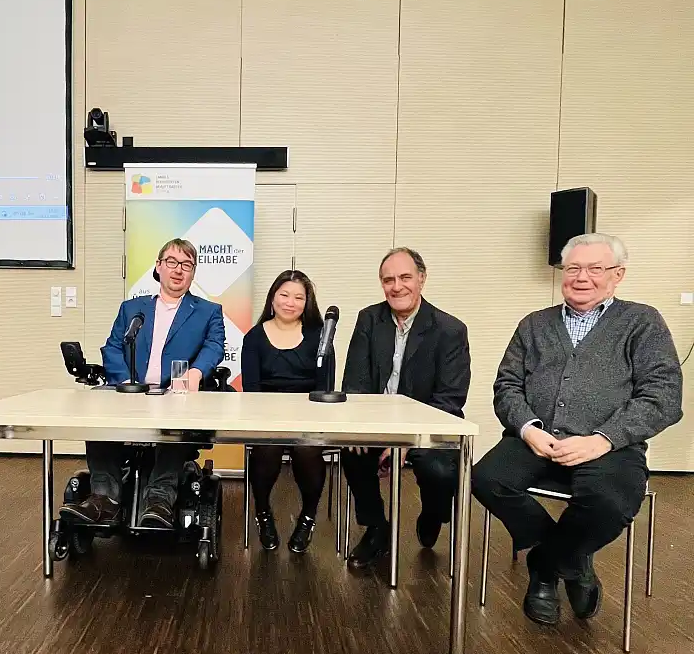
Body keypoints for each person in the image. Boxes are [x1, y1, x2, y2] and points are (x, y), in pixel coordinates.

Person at [473, 233, 683, 626]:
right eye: (573, 268)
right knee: (487, 479)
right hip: (538, 439)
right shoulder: (534, 325)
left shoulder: (642, 322)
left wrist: (603, 439)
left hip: (610, 446)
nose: (581, 277)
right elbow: (507, 385)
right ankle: (573, 558)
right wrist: (528, 428)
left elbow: (664, 396)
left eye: (595, 268)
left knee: (608, 502)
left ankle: (546, 565)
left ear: (617, 275)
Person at [61, 238, 226, 529]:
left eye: (186, 265)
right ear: (159, 266)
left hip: (174, 393)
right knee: (97, 412)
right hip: (129, 391)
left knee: (178, 420)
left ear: (193, 273)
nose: (178, 270)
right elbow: (112, 347)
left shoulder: (208, 311)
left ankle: (160, 500)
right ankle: (105, 499)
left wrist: (197, 372)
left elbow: (214, 346)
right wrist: (125, 382)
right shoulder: (132, 309)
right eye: (172, 262)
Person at [340, 247, 471, 572]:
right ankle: (376, 528)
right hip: (376, 423)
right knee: (353, 451)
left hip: (429, 425)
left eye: (405, 277)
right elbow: (355, 384)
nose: (396, 286)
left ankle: (433, 513)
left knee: (438, 470)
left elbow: (450, 400)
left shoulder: (450, 330)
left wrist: (406, 443)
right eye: (388, 280)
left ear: (422, 279)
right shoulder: (369, 319)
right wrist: (364, 430)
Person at [241, 270, 333, 554]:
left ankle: (307, 516)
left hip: (308, 417)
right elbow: (252, 390)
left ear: (307, 303)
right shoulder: (255, 337)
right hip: (266, 417)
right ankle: (263, 513)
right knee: (267, 449)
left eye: (298, 297)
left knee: (307, 450)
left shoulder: (320, 336)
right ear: (272, 297)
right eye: (284, 295)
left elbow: (324, 387)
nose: (290, 302)